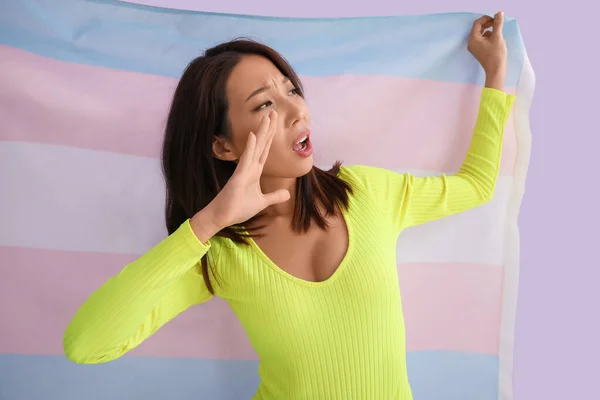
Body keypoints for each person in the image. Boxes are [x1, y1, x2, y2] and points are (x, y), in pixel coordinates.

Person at [63, 12, 515, 400]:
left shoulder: (369, 193)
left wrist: (495, 74)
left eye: (290, 89)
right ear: (223, 146)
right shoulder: (221, 255)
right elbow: (87, 345)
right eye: (265, 105)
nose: (296, 110)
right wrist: (207, 223)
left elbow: (475, 186)